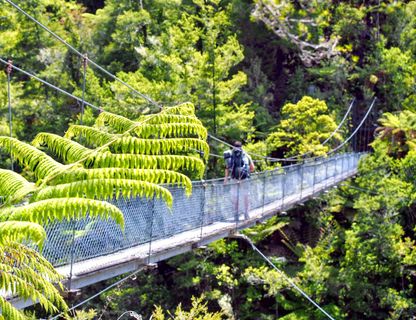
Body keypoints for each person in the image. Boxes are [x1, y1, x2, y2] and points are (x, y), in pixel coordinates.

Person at [223, 141, 255, 220]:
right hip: (245, 179)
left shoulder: (230, 155)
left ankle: (236, 215)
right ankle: (246, 214)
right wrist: (245, 173)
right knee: (246, 196)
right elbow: (252, 168)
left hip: (234, 178)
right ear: (242, 147)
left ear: (233, 147)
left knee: (235, 196)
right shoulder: (246, 155)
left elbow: (227, 168)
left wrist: (226, 180)